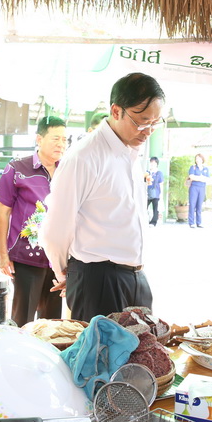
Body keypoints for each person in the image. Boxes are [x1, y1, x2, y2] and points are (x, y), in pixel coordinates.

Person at [40, 72, 165, 322]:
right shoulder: (84, 156)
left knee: (145, 345)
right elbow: (57, 227)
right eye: (142, 122)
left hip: (135, 276)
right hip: (99, 279)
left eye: (156, 122)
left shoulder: (131, 151)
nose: (148, 131)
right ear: (116, 111)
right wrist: (66, 274)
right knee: (101, 347)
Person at [0, 116, 67, 327]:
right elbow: (3, 213)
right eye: (56, 138)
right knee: (23, 318)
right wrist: (2, 255)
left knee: (52, 322)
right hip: (26, 257)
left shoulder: (67, 170)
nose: (61, 144)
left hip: (58, 259)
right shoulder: (17, 169)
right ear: (39, 139)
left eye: (64, 139)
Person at [187, 153, 210, 228]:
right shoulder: (193, 167)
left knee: (199, 205)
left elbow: (207, 179)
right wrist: (201, 178)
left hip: (202, 188)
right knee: (192, 205)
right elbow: (191, 177)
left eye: (199, 158)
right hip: (194, 187)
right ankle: (191, 222)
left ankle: (199, 222)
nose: (197, 160)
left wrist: (198, 178)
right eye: (196, 158)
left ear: (202, 159)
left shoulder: (206, 169)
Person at [146, 157, 163, 227]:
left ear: (156, 164)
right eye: (151, 162)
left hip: (156, 193)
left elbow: (161, 184)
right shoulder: (147, 172)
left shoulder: (159, 173)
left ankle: (153, 222)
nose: (152, 164)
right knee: (144, 206)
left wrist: (161, 194)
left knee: (155, 208)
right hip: (147, 193)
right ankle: (144, 220)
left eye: (154, 163)